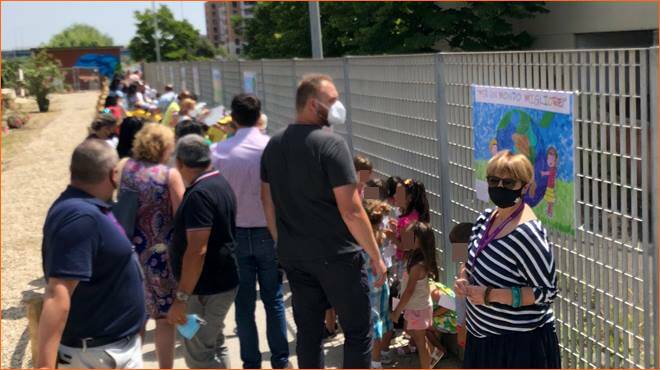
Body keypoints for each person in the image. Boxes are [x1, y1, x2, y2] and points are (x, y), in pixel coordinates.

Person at [260, 74, 387, 368]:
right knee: (357, 331)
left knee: (309, 333)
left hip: (295, 257)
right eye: (332, 101)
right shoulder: (332, 145)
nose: (337, 106)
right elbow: (352, 210)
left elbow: (266, 201)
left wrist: (282, 242)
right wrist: (375, 255)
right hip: (338, 256)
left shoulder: (274, 145)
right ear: (313, 104)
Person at [38, 139, 145, 368]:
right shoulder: (81, 218)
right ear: (112, 174)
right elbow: (58, 294)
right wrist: (44, 365)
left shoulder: (86, 207)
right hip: (96, 355)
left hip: (108, 349)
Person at [454, 150, 560, 368]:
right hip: (482, 339)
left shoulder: (528, 233)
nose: (499, 187)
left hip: (517, 347)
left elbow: (547, 291)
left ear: (524, 186)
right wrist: (463, 276)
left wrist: (491, 295)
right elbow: (468, 258)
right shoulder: (485, 218)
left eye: (508, 182)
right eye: (494, 180)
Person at [210, 94, 289, 369]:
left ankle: (251, 362)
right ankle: (280, 360)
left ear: (232, 119)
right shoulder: (273, 148)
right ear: (259, 117)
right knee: (274, 299)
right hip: (270, 232)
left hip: (235, 236)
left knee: (243, 305)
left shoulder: (218, 152)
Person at [166, 134, 239, 369]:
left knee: (198, 356)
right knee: (215, 345)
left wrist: (181, 297)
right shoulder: (218, 182)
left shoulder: (200, 194)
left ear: (180, 163)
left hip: (205, 289)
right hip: (218, 282)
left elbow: (197, 250)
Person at [118, 124, 185, 368]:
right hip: (162, 257)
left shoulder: (125, 168)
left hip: (130, 253)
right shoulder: (169, 175)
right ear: (164, 146)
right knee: (165, 319)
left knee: (137, 319)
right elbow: (182, 216)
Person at [389, 221, 439, 369]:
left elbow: (409, 291)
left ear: (419, 240)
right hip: (416, 307)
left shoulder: (418, 265)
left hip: (418, 309)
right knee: (411, 332)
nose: (407, 239)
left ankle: (427, 364)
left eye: (411, 236)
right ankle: (434, 353)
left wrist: (397, 311)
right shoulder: (415, 256)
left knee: (420, 344)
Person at [362, 199, 394, 369]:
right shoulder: (381, 235)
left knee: (374, 323)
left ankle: (375, 362)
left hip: (369, 284)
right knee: (385, 317)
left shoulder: (364, 239)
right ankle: (385, 353)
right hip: (383, 283)